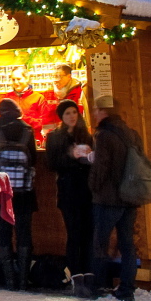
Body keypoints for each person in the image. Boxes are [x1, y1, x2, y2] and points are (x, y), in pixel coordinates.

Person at [77, 95, 142, 301]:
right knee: (127, 244)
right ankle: (127, 289)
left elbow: (101, 167)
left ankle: (97, 286)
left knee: (100, 243)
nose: (94, 113)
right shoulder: (131, 133)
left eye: (97, 110)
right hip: (129, 196)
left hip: (108, 198)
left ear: (104, 112)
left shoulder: (104, 135)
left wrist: (93, 188)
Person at [0, 97, 38, 289]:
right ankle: (23, 281)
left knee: (3, 233)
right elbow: (33, 159)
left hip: (1, 193)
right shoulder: (28, 130)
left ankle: (9, 280)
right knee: (24, 233)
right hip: (24, 192)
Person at [44, 98, 94, 286]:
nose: (72, 116)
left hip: (87, 191)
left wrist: (90, 157)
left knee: (88, 233)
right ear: (61, 117)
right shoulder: (55, 137)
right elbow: (51, 163)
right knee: (74, 232)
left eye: (74, 112)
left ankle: (89, 273)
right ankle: (76, 274)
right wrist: (71, 155)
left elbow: (93, 163)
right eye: (67, 113)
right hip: (68, 191)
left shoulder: (86, 135)